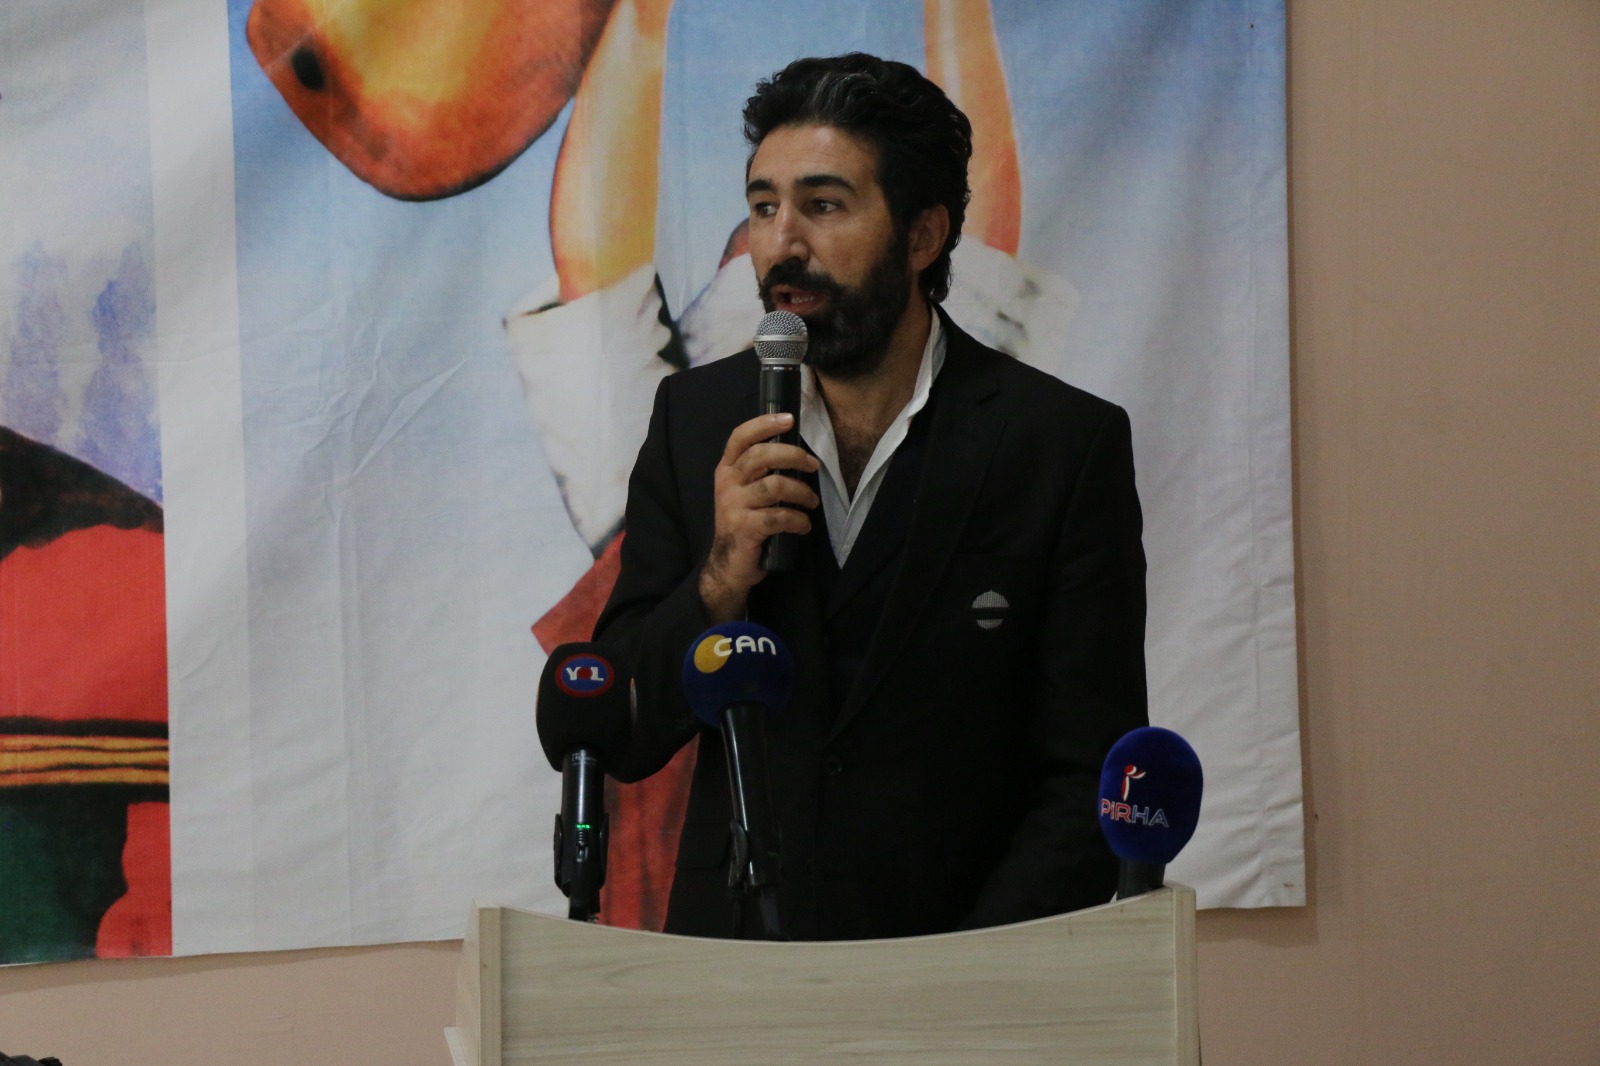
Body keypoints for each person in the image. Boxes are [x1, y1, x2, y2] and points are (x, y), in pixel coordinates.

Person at [593, 53, 1148, 941]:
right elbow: (620, 731)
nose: (781, 243)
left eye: (823, 205)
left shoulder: (1059, 445)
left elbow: (1090, 774)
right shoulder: (694, 423)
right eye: (763, 206)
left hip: (967, 968)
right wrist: (720, 579)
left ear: (923, 237)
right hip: (737, 969)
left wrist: (962, 974)